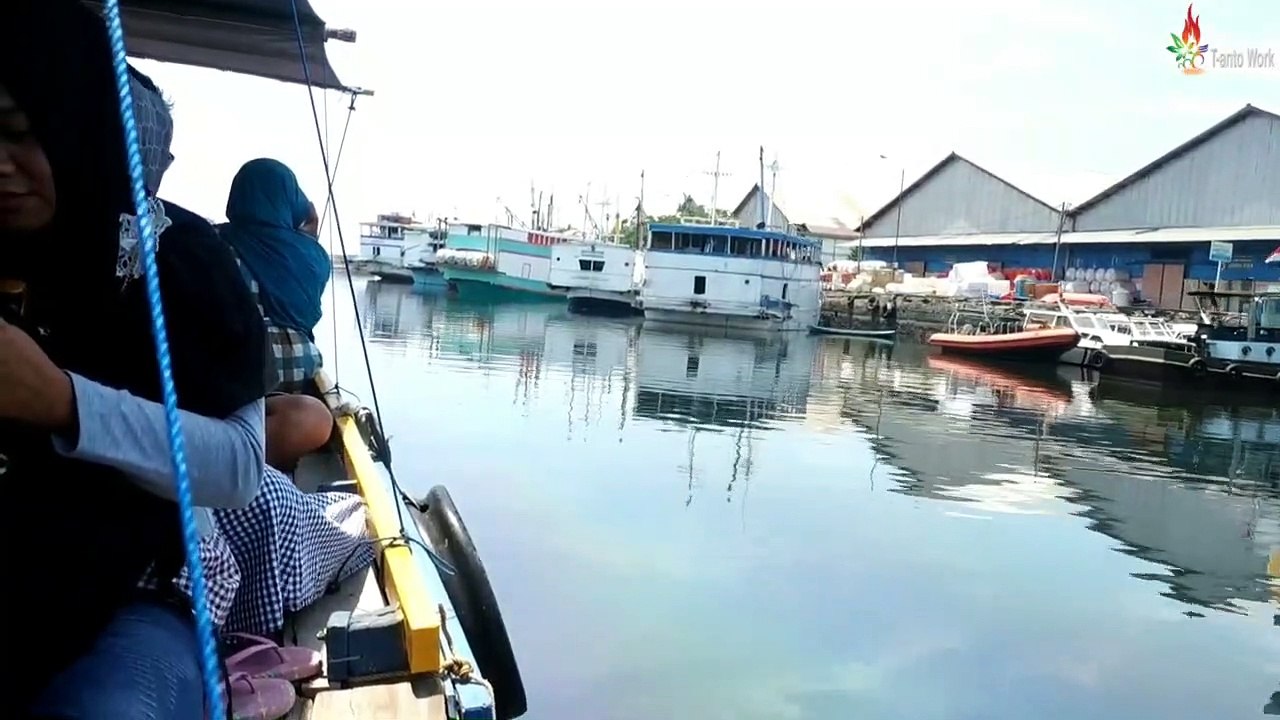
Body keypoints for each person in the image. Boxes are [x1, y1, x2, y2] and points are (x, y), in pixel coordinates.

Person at [1, 2, 269, 717]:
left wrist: (62, 401)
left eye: (22, 135)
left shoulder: (183, 265)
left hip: (143, 582)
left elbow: (241, 468)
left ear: (79, 127)